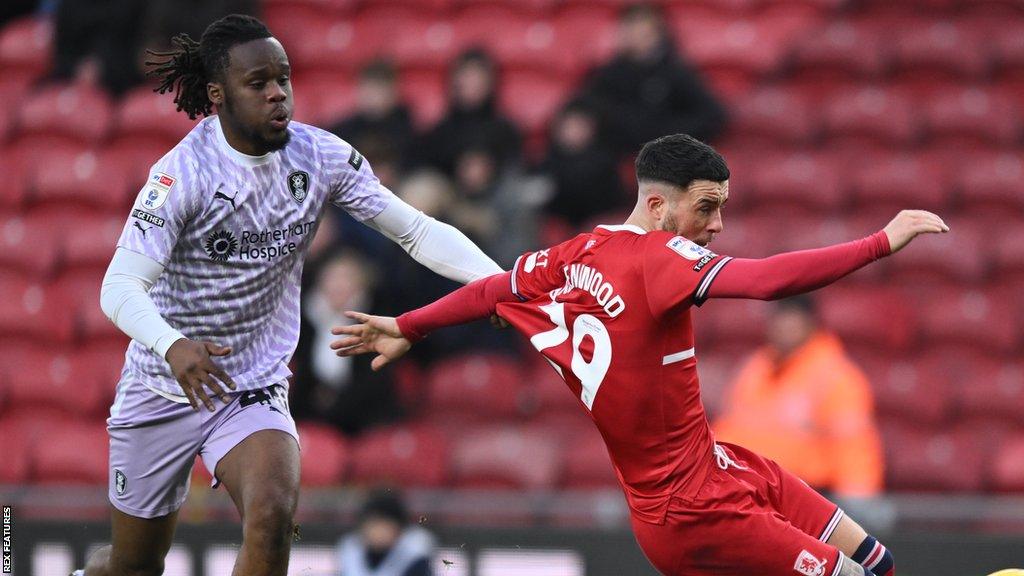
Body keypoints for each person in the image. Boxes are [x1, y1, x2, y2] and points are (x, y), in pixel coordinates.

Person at [332, 135, 949, 576]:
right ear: (657, 206)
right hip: (695, 508)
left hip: (716, 470)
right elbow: (764, 282)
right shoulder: (661, 257)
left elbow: (495, 287)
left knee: (877, 561)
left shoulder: (576, 254)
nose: (717, 225)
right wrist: (879, 242)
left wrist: (410, 326)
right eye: (706, 207)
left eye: (723, 208)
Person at [76, 14, 500, 576]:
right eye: (259, 84)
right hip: (162, 385)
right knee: (133, 566)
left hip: (250, 383)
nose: (278, 94)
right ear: (217, 94)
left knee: (273, 516)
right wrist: (173, 346)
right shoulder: (182, 175)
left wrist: (500, 284)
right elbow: (119, 287)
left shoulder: (319, 157)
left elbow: (416, 230)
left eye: (284, 79)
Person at [714, 296, 885, 499]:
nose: (784, 327)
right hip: (745, 491)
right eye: (779, 319)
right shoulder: (754, 368)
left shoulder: (836, 375)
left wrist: (858, 508)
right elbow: (725, 429)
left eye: (791, 319)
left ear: (810, 323)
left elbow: (855, 445)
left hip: (806, 497)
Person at [583, 3, 727, 155]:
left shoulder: (676, 72)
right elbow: (588, 108)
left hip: (664, 161)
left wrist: (666, 137)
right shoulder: (609, 73)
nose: (635, 34)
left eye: (642, 29)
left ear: (658, 32)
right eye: (630, 26)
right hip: (616, 159)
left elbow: (713, 116)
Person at [292, 251, 403, 436]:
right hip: (311, 415)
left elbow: (376, 381)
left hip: (366, 419)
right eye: (333, 277)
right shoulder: (302, 320)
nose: (338, 285)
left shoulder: (378, 320)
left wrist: (336, 403)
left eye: (346, 278)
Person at [416, 48, 521, 175]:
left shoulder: (506, 131)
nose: (471, 82)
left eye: (477, 76)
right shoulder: (440, 133)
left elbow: (514, 173)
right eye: (466, 75)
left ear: (490, 82)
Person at [538, 98, 627, 229]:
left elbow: (605, 204)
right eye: (568, 125)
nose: (572, 131)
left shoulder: (603, 163)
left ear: (592, 129)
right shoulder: (547, 156)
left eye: (579, 126)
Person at [328, 59, 415, 167]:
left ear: (393, 92)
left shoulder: (406, 126)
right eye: (367, 89)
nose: (372, 97)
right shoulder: (347, 127)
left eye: (378, 90)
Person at [337, 488, 435, 576]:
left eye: (384, 526)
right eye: (373, 525)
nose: (378, 532)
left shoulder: (414, 556)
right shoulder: (351, 550)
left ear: (399, 529)